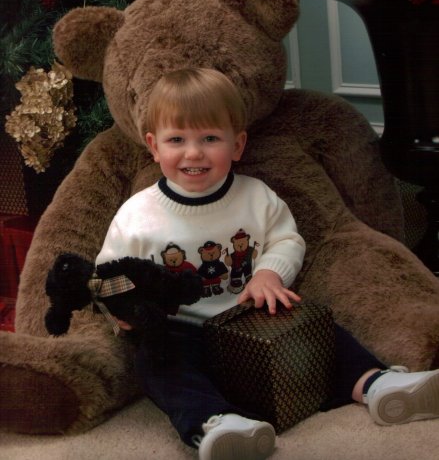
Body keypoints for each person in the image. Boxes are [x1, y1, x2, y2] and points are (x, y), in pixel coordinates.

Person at [96, 67, 439, 460]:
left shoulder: (256, 197)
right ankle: (216, 424)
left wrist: (269, 274)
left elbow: (287, 239)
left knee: (322, 330)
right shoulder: (138, 215)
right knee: (156, 362)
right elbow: (108, 273)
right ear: (154, 146)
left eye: (210, 138)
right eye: (177, 140)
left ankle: (376, 384)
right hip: (182, 328)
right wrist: (124, 306)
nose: (193, 153)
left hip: (253, 316)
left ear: (237, 144)